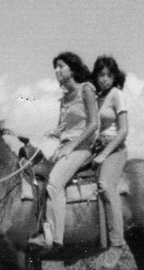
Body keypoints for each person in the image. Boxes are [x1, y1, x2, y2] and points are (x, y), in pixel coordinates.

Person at [29, 52, 98, 252]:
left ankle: (55, 238)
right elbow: (63, 128)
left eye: (61, 66)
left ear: (72, 69)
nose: (56, 70)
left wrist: (71, 145)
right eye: (55, 67)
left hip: (82, 149)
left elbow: (93, 124)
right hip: (64, 148)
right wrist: (55, 133)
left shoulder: (86, 89)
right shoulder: (64, 99)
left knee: (54, 184)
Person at [91, 55, 129, 267]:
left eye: (108, 74)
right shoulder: (96, 98)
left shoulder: (117, 95)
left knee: (105, 185)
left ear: (114, 76)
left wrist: (105, 154)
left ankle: (117, 243)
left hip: (115, 149)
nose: (104, 78)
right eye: (100, 74)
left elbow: (124, 130)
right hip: (95, 149)